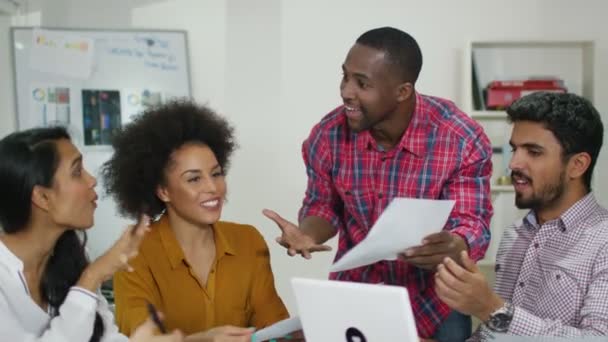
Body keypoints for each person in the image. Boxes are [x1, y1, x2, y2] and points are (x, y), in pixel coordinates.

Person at [263, 27, 493, 340]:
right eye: (344, 77)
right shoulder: (327, 135)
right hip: (357, 294)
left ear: (402, 91)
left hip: (436, 303)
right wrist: (306, 233)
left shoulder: (460, 138)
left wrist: (456, 245)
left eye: (362, 83)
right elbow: (323, 205)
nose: (346, 91)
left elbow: (472, 223)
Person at [102, 101, 290, 342]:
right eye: (194, 179)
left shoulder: (248, 241)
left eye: (216, 174)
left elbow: (277, 330)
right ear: (163, 191)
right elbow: (142, 339)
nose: (212, 188)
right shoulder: (134, 254)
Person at [435, 92, 608, 339]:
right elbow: (494, 333)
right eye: (515, 149)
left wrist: (490, 308)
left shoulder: (604, 243)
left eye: (534, 152)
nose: (514, 163)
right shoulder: (515, 234)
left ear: (577, 165)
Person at [0, 126, 183, 342]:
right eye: (77, 172)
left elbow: (103, 337)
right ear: (42, 197)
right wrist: (92, 276)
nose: (92, 180)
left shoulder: (70, 257)